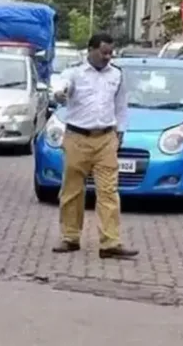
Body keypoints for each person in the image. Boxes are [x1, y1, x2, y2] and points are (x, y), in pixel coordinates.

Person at [52, 33, 139, 259]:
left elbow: (121, 106)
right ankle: (70, 237)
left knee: (108, 191)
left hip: (105, 139)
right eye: (103, 52)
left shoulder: (117, 75)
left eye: (110, 53)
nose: (107, 57)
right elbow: (62, 86)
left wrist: (120, 132)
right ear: (90, 50)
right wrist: (60, 93)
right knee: (72, 190)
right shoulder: (74, 73)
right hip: (77, 137)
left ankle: (110, 243)